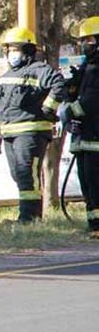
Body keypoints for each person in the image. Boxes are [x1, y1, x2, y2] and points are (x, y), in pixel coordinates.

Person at [0, 26, 67, 223]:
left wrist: (49, 109)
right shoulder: (7, 76)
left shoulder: (39, 70)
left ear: (28, 50)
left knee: (27, 175)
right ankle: (27, 216)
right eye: (9, 49)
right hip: (9, 133)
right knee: (18, 175)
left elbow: (58, 84)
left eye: (15, 49)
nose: (11, 54)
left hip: (31, 133)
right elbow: (2, 106)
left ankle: (29, 219)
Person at [63, 16, 99, 237]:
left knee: (96, 184)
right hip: (85, 139)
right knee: (88, 185)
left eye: (89, 40)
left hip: (96, 137)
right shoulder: (89, 66)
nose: (85, 44)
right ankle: (94, 226)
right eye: (83, 40)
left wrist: (71, 111)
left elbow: (92, 100)